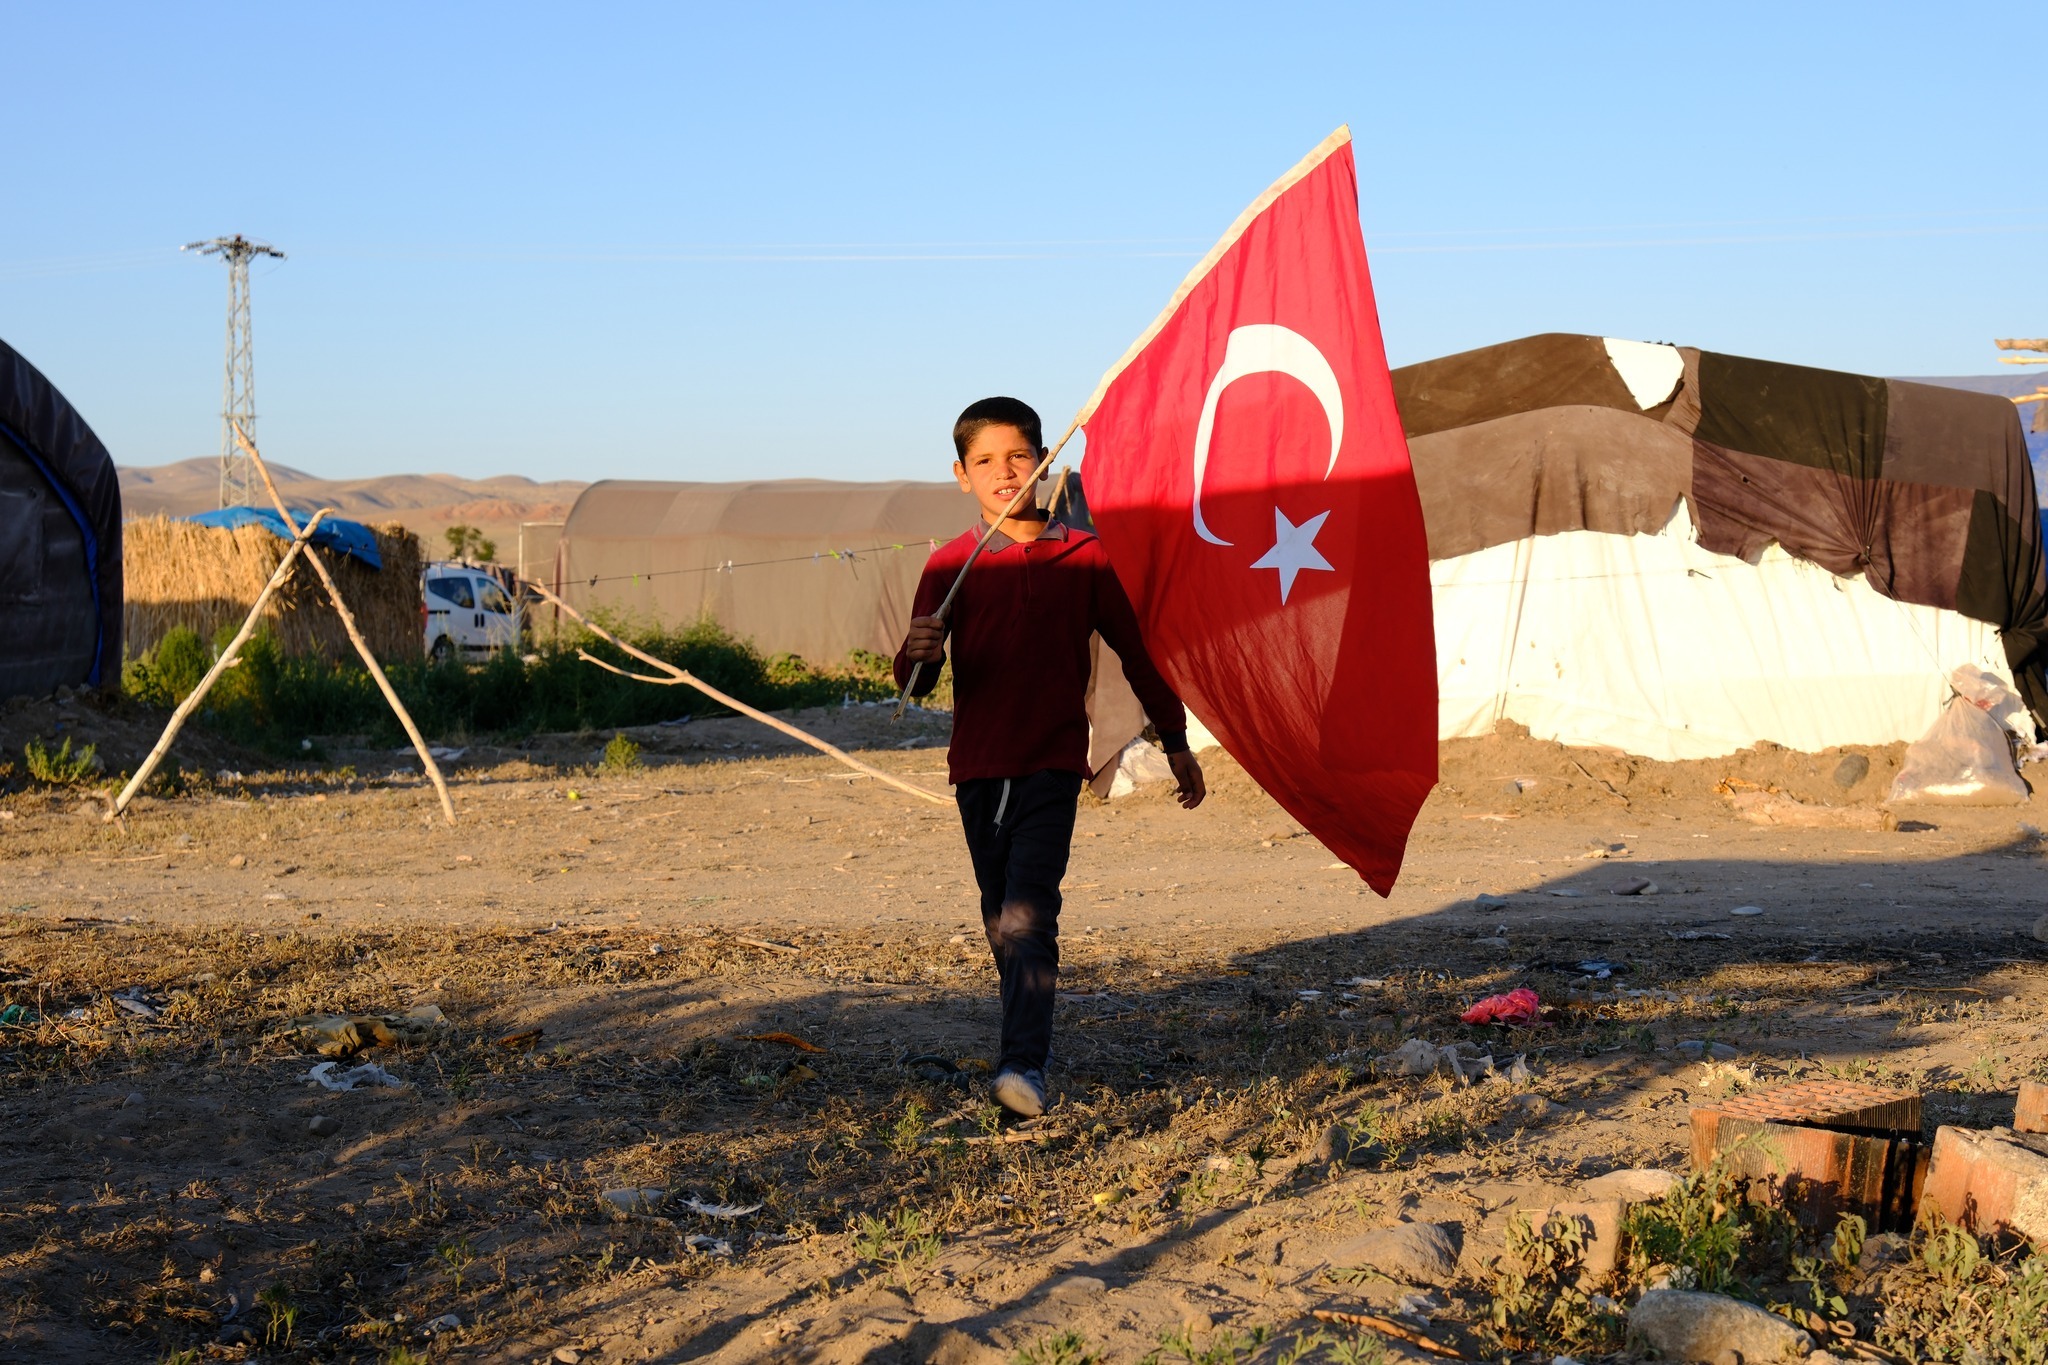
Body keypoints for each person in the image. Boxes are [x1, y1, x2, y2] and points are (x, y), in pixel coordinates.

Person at [895, 396, 1205, 1119]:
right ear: (960, 474)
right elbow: (913, 683)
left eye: (1018, 456)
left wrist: (1177, 737)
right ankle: (1020, 1040)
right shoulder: (951, 565)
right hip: (977, 767)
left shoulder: (1085, 558)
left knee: (1030, 912)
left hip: (1052, 765)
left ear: (1043, 461)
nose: (1004, 472)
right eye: (985, 461)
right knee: (999, 914)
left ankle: (1023, 1065)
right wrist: (916, 655)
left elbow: (1139, 652)